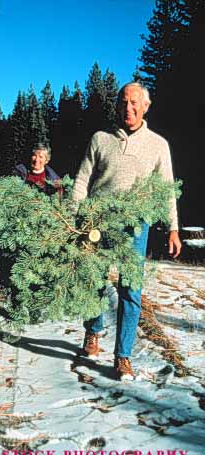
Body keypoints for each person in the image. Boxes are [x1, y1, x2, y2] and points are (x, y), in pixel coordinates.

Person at [72, 82, 181, 381]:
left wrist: (173, 228)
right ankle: (92, 333)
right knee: (92, 280)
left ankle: (123, 357)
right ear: (117, 106)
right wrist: (74, 216)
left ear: (146, 106)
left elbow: (168, 191)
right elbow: (82, 180)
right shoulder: (100, 139)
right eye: (123, 102)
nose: (128, 108)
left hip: (135, 225)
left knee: (130, 289)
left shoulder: (159, 145)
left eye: (134, 102)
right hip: (97, 221)